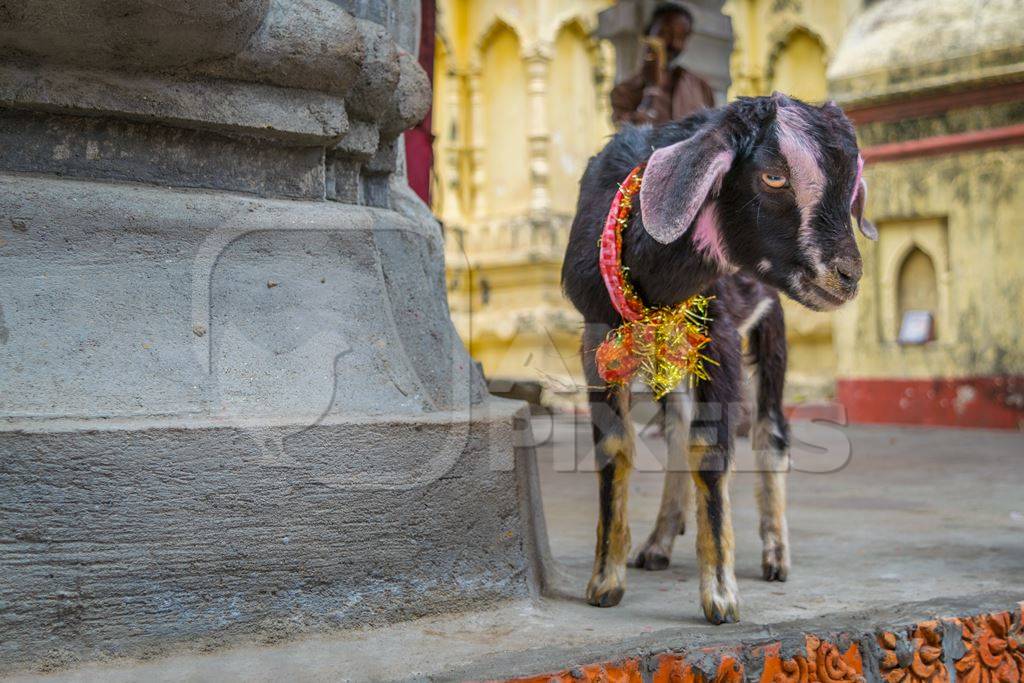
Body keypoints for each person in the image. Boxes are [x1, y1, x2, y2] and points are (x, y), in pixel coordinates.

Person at [610, 1, 715, 126]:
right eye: (665, 33)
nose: (674, 44)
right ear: (648, 34)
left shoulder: (702, 88)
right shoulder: (623, 91)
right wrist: (651, 88)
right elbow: (630, 137)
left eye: (682, 37)